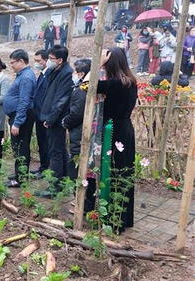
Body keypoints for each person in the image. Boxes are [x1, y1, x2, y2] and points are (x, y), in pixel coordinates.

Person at [85, 47, 138, 233]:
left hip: (113, 131)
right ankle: (123, 218)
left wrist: (97, 64)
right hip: (126, 130)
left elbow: (86, 84)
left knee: (112, 172)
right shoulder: (131, 81)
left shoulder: (116, 84)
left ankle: (114, 221)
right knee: (123, 173)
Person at [37, 44, 73, 197]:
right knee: (60, 150)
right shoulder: (55, 71)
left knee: (55, 153)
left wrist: (50, 119)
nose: (48, 61)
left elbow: (61, 100)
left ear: (59, 60)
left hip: (56, 119)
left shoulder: (66, 73)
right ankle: (64, 182)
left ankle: (55, 187)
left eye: (50, 59)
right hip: (51, 116)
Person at [61, 58, 94, 213]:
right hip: (79, 133)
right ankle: (81, 201)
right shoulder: (82, 87)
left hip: (79, 135)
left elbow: (76, 114)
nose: (73, 74)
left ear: (81, 73)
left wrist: (65, 122)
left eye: (75, 71)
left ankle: (82, 203)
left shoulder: (82, 90)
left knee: (76, 167)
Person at [3, 49, 37, 187]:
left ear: (21, 61)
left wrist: (17, 122)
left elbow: (24, 101)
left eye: (13, 63)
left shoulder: (26, 78)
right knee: (18, 146)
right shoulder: (23, 75)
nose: (11, 66)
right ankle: (20, 172)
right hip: (19, 115)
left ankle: (20, 178)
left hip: (21, 116)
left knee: (21, 147)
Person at [30, 49, 51, 179]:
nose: (36, 63)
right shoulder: (42, 74)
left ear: (46, 60)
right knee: (41, 143)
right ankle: (43, 166)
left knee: (45, 144)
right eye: (35, 61)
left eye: (39, 61)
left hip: (44, 116)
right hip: (38, 114)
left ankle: (45, 169)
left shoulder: (49, 75)